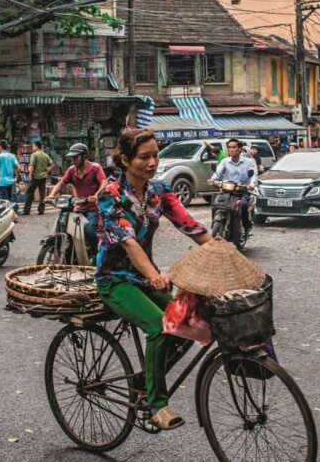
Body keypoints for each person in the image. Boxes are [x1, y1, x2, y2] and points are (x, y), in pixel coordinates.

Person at [95, 129, 212, 430]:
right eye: (144, 157)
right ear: (125, 160)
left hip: (144, 278)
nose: (152, 162)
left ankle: (148, 377)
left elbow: (190, 224)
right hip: (115, 280)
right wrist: (155, 275)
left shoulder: (159, 189)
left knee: (191, 324)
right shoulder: (110, 196)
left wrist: (221, 252)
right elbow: (129, 242)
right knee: (160, 326)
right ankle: (156, 404)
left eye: (156, 155)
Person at [45, 143, 107, 250]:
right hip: (78, 207)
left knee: (89, 231)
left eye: (76, 157)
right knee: (67, 229)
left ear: (85, 156)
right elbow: (61, 184)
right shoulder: (71, 170)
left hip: (93, 209)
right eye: (72, 157)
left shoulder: (96, 168)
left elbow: (104, 183)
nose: (73, 160)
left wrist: (96, 195)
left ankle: (97, 253)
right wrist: (51, 196)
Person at [209, 138, 258, 239]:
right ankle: (216, 222)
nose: (231, 150)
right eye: (229, 148)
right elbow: (217, 173)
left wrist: (251, 184)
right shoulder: (224, 161)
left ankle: (247, 227)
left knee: (243, 205)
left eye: (234, 147)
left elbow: (253, 175)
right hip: (227, 190)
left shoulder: (249, 162)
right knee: (216, 203)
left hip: (242, 191)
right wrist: (212, 179)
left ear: (240, 148)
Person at [23, 141, 52, 215]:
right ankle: (41, 210)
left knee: (29, 193)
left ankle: (27, 210)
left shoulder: (34, 154)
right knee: (42, 194)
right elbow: (51, 164)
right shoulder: (46, 155)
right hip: (43, 177)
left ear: (36, 146)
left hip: (35, 177)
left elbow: (32, 165)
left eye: (33, 146)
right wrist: (46, 171)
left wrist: (30, 174)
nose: (32, 148)